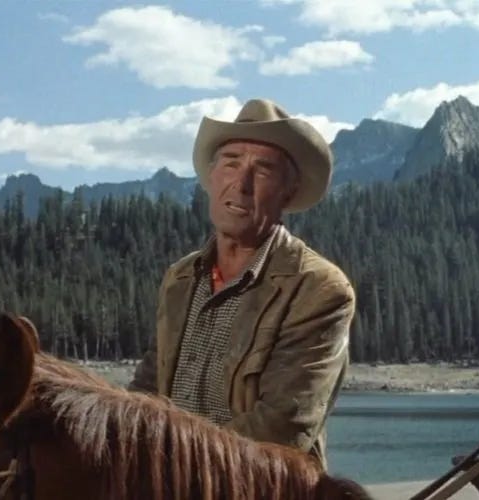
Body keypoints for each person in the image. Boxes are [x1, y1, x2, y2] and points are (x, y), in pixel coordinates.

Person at [129, 99, 356, 470]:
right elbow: (147, 391)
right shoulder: (180, 279)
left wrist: (170, 465)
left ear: (288, 191)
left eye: (263, 170)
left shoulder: (319, 288)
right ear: (211, 176)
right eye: (231, 162)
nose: (242, 183)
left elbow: (283, 429)